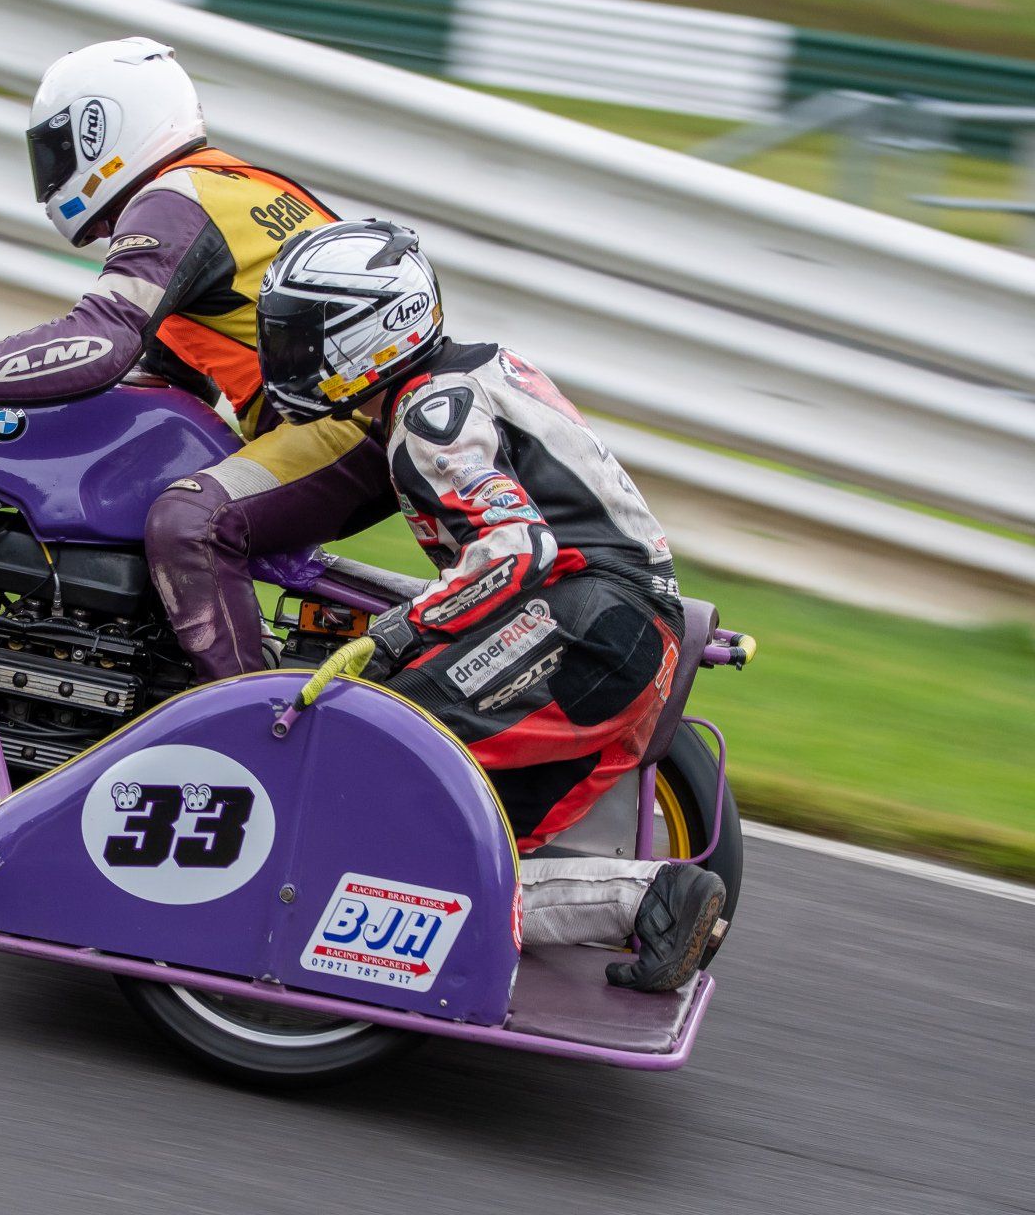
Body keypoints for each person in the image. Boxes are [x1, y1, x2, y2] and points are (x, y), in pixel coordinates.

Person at [254, 218, 726, 992]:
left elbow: (515, 550)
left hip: (592, 622)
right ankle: (652, 900)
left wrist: (400, 632)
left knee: (371, 744)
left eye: (305, 338)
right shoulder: (475, 372)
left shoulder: (428, 415)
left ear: (371, 332)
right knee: (454, 857)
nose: (289, 357)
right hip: (625, 631)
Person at [0, 37, 399, 679]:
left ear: (102, 127)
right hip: (354, 423)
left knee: (189, 520)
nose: (51, 172)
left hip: (346, 428)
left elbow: (101, 342)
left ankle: (249, 729)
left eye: (57, 150)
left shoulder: (172, 201)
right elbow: (155, 379)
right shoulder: (225, 186)